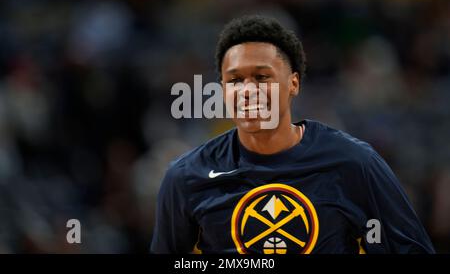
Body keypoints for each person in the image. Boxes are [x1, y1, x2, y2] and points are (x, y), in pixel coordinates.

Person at [150, 15, 435, 254]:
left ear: (293, 83)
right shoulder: (186, 177)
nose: (248, 91)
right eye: (235, 80)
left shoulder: (355, 163)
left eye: (262, 77)